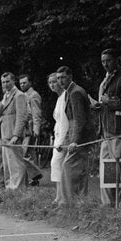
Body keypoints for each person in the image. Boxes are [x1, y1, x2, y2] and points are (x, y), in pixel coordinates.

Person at [95, 49, 121, 207]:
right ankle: (108, 204)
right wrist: (98, 106)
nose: (105, 64)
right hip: (106, 130)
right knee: (107, 167)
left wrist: (108, 102)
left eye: (108, 61)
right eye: (103, 61)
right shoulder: (105, 80)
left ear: (116, 60)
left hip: (119, 130)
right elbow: (105, 102)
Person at [56, 65, 93, 205]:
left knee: (68, 165)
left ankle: (67, 202)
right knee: (79, 169)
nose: (60, 81)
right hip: (74, 133)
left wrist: (75, 141)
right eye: (58, 78)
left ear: (70, 77)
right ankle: (79, 201)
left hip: (81, 136)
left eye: (63, 78)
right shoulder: (68, 92)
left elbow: (79, 120)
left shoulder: (75, 92)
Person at [0, 72, 30, 190]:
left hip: (13, 134)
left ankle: (18, 188)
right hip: (5, 133)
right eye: (3, 82)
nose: (5, 84)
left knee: (16, 163)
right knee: (7, 164)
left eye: (7, 81)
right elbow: (2, 113)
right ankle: (10, 187)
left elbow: (22, 117)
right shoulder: (6, 95)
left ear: (13, 81)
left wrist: (16, 135)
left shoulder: (19, 95)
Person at [17, 73, 45, 186]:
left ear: (30, 83)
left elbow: (37, 113)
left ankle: (35, 175)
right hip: (24, 129)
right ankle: (33, 178)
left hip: (30, 128)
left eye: (24, 83)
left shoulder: (34, 95)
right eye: (20, 83)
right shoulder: (22, 95)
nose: (22, 85)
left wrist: (36, 129)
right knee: (27, 154)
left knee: (25, 154)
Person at [47, 72, 66, 201]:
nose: (52, 84)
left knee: (58, 163)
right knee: (56, 165)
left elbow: (65, 122)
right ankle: (59, 196)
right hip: (57, 136)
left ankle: (61, 196)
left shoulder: (65, 97)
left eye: (54, 81)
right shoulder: (59, 98)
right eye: (50, 82)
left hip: (63, 138)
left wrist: (62, 141)